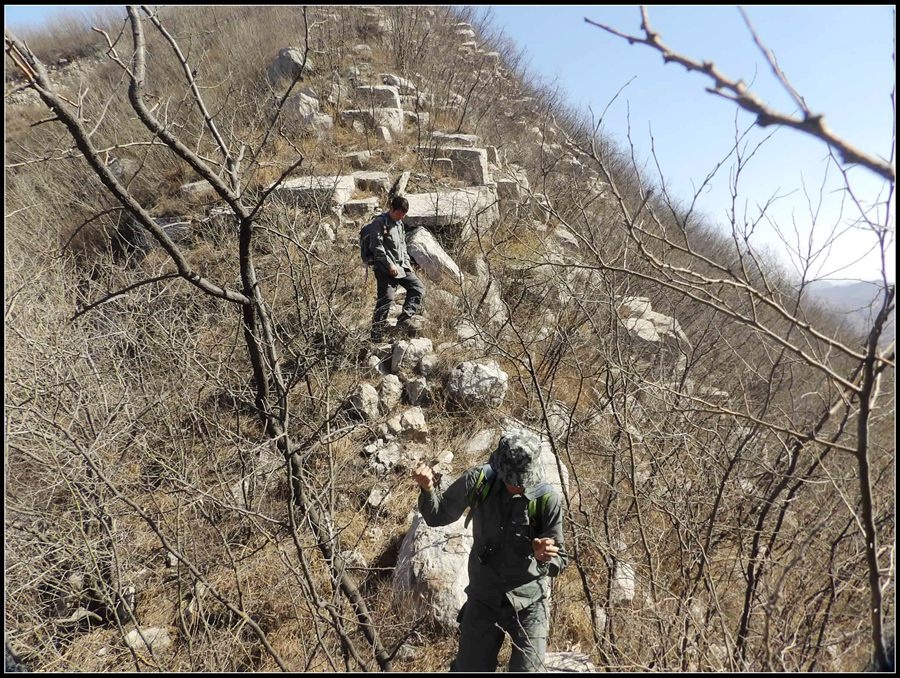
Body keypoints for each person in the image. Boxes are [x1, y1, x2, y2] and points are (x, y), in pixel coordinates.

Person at [412, 429, 569, 672]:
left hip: (529, 604)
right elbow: (438, 515)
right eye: (511, 479)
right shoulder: (479, 481)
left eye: (521, 480)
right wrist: (428, 489)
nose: (516, 485)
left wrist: (544, 557)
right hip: (484, 598)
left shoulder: (547, 499)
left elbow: (561, 560)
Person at [363, 195, 426, 342]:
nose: (401, 217)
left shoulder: (400, 224)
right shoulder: (379, 223)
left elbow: (402, 246)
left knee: (418, 288)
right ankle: (376, 337)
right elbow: (377, 247)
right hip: (384, 269)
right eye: (399, 213)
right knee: (386, 299)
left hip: (401, 267)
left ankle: (404, 319)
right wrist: (389, 264)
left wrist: (407, 264)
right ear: (392, 209)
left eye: (404, 214)